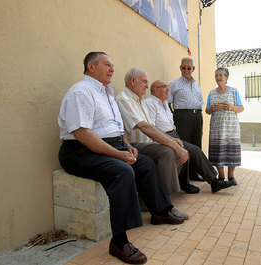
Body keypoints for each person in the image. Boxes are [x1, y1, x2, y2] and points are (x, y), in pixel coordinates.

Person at [58, 52, 187, 264]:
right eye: (107, 65)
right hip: (80, 151)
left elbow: (116, 128)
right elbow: (82, 134)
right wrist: (118, 154)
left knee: (144, 162)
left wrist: (127, 146)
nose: (112, 69)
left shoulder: (107, 93)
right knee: (122, 171)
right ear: (91, 67)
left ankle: (160, 211)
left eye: (113, 65)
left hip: (111, 145)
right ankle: (119, 241)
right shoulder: (81, 92)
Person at [115, 67, 198, 195]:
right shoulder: (124, 99)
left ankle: (161, 195)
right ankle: (162, 199)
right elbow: (144, 127)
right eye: (145, 82)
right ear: (132, 80)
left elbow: (152, 126)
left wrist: (171, 139)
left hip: (148, 143)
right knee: (168, 151)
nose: (147, 87)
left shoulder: (140, 100)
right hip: (134, 145)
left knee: (178, 149)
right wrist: (173, 144)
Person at [145, 80, 235, 193]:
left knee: (190, 150)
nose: (168, 89)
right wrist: (170, 138)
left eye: (167, 86)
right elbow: (152, 126)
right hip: (163, 136)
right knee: (193, 150)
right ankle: (213, 182)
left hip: (173, 134)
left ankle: (187, 183)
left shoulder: (164, 104)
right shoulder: (150, 103)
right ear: (155, 90)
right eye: (164, 87)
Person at [168, 57, 205, 181]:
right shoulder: (174, 84)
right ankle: (183, 178)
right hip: (182, 117)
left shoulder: (196, 85)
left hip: (197, 117)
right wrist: (174, 117)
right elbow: (168, 103)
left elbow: (201, 101)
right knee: (184, 145)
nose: (186, 70)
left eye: (189, 68)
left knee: (196, 144)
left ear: (193, 69)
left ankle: (194, 174)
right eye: (184, 67)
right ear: (180, 68)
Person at [205, 67, 244, 185]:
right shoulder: (211, 93)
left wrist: (231, 107)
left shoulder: (234, 91)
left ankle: (231, 176)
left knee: (231, 150)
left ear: (227, 77)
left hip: (231, 127)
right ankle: (221, 175)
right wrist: (211, 108)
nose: (218, 78)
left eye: (221, 75)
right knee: (218, 150)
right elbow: (207, 110)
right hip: (216, 128)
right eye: (216, 75)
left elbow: (241, 108)